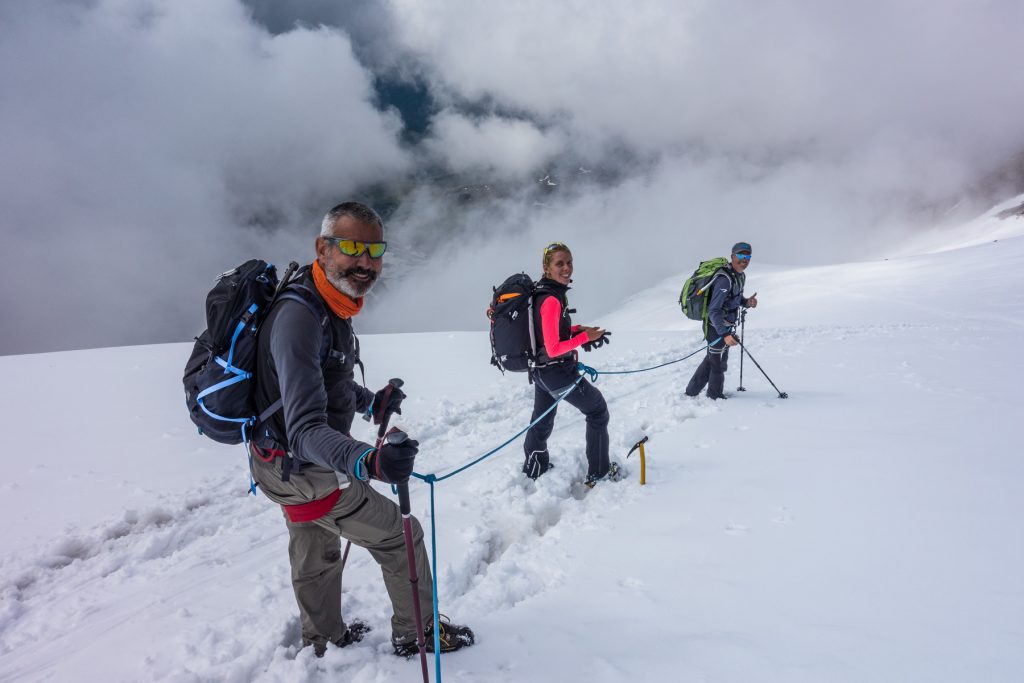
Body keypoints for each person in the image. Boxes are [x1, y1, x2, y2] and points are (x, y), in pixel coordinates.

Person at [249, 202, 474, 658]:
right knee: (399, 536)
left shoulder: (321, 301)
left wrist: (370, 402)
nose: (365, 261)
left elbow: (325, 379)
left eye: (374, 250)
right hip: (305, 464)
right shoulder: (301, 318)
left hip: (275, 463)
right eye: (352, 247)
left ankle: (323, 638)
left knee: (315, 542)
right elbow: (306, 429)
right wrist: (367, 461)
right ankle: (418, 632)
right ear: (323, 248)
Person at [522, 242, 621, 488]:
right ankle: (599, 473)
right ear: (546, 267)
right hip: (557, 372)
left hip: (541, 373)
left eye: (569, 262)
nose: (567, 268)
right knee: (597, 411)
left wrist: (579, 330)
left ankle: (535, 466)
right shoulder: (552, 300)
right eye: (559, 264)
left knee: (542, 419)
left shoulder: (541, 292)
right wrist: (586, 338)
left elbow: (550, 333)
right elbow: (554, 348)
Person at [685, 241, 759, 400]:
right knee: (718, 362)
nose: (744, 259)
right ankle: (715, 396)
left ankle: (691, 392)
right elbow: (714, 310)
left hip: (725, 325)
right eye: (740, 255)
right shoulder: (724, 280)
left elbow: (734, 298)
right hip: (716, 327)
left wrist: (746, 302)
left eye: (747, 255)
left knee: (713, 359)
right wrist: (725, 334)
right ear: (732, 256)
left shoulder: (739, 276)